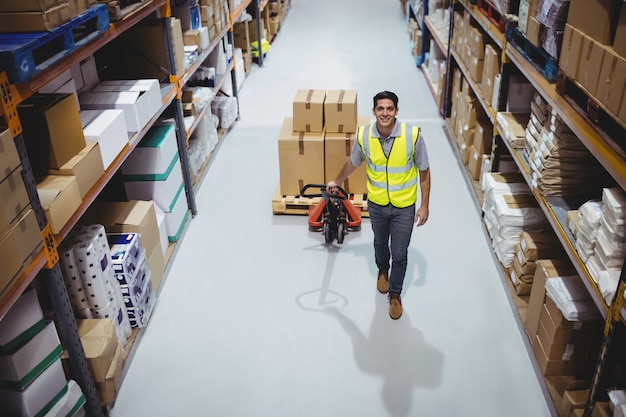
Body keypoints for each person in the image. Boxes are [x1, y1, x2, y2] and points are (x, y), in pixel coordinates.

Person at [327, 91, 431, 320]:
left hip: (404, 207)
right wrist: (336, 180)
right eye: (380, 109)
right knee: (380, 243)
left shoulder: (412, 136)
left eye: (389, 109)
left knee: (400, 253)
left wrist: (424, 206)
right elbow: (352, 162)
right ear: (373, 111)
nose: (385, 113)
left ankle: (395, 294)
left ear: (396, 111)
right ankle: (382, 269)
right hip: (376, 204)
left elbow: (424, 170)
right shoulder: (364, 135)